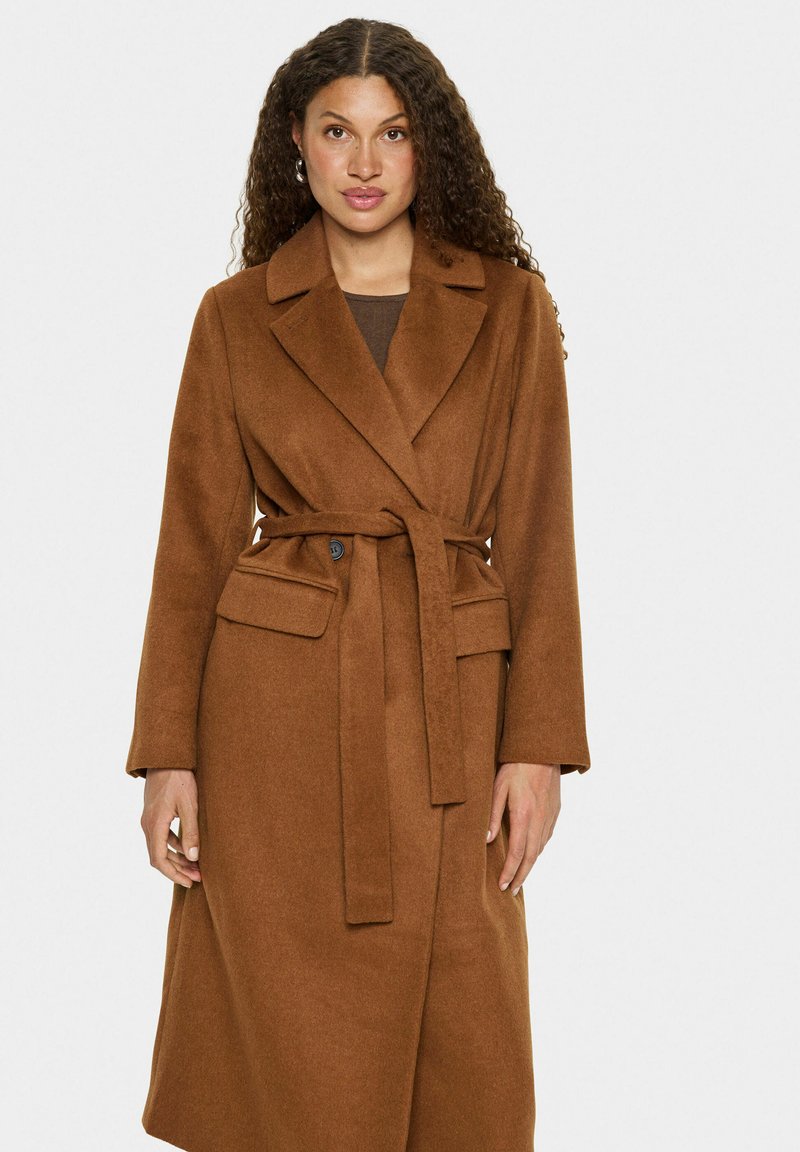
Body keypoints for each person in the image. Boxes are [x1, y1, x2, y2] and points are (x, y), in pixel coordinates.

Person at [126, 16, 591, 1152]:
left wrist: (538, 744)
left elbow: (538, 534)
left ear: (431, 146)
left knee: (465, 1028)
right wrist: (168, 751)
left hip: (449, 694)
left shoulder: (510, 307)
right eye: (337, 132)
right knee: (291, 1039)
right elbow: (191, 546)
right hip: (277, 716)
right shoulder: (237, 315)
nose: (365, 163)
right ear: (296, 143)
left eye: (392, 132)